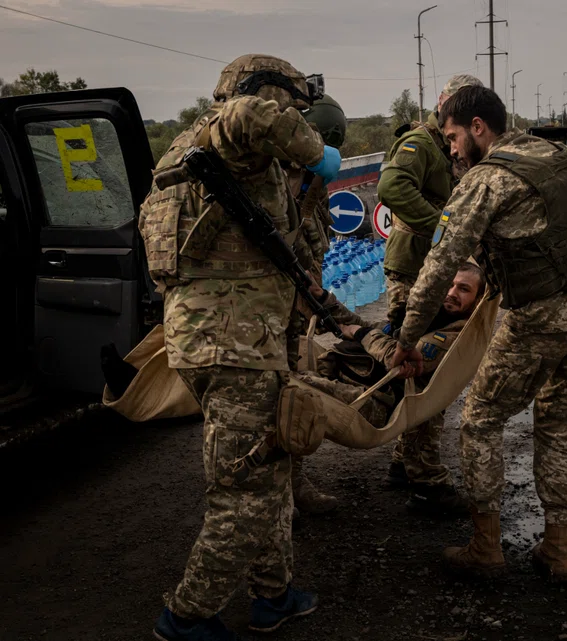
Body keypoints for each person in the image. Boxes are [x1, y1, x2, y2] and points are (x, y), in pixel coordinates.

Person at [140, 54, 340, 641]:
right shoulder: (228, 133)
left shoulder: (189, 155)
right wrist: (319, 155)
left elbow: (281, 249)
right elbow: (247, 114)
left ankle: (272, 595)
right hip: (233, 346)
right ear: (268, 93)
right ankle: (186, 615)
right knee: (244, 495)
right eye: (294, 106)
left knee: (269, 471)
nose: (299, 118)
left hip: (225, 340)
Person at [391, 86, 567, 584]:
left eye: (453, 137)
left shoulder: (488, 178)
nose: (452, 150)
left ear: (478, 127)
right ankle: (557, 551)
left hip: (542, 317)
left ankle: (485, 546)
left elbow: (439, 265)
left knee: (480, 419)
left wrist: (407, 339)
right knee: (560, 425)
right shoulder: (557, 156)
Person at [376, 73, 483, 510]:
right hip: (414, 270)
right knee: (425, 370)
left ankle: (405, 463)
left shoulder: (451, 147)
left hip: (435, 269)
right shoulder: (421, 143)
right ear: (441, 103)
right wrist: (442, 228)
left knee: (427, 366)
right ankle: (425, 476)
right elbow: (391, 187)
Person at [302, 263, 485, 429]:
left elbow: (397, 357)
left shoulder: (456, 336)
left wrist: (360, 333)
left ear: (478, 299)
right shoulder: (430, 316)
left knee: (298, 387)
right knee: (299, 363)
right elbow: (368, 327)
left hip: (378, 402)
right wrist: (323, 297)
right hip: (357, 380)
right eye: (449, 285)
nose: (452, 293)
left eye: (464, 289)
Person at [283, 93, 352, 518]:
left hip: (295, 306)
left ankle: (293, 485)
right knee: (266, 400)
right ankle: (276, 496)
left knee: (290, 392)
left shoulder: (312, 181)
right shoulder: (270, 176)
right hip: (264, 308)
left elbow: (314, 239)